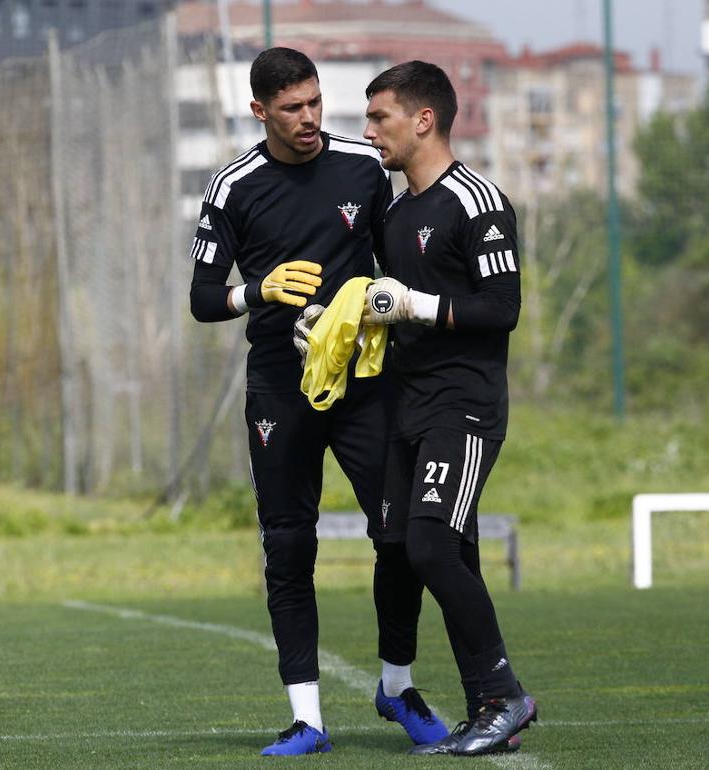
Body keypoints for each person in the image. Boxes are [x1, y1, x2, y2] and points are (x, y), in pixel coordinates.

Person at [187, 47, 448, 756]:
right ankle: (308, 719)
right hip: (281, 386)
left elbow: (398, 262)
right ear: (259, 111)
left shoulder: (363, 167)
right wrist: (258, 291)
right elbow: (203, 298)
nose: (308, 118)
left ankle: (396, 687)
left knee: (400, 537)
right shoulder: (233, 187)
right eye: (291, 108)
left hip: (365, 383)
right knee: (288, 544)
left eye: (314, 102)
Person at [357, 60, 538, 756]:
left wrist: (417, 305)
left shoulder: (478, 202)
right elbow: (392, 306)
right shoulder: (395, 212)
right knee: (421, 550)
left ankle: (505, 696)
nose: (369, 131)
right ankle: (487, 710)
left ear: (423, 119)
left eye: (380, 117)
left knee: (432, 545)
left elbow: (502, 309)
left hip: (462, 408)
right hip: (405, 406)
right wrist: (348, 325)